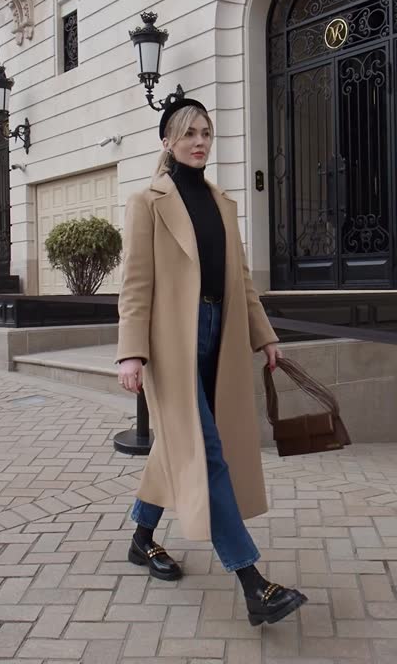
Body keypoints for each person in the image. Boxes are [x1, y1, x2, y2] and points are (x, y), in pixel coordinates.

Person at [116, 97, 308, 626]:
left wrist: (264, 336)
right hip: (169, 346)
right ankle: (253, 583)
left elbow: (241, 280)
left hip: (218, 337)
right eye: (188, 133)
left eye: (205, 132)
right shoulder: (148, 201)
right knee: (205, 449)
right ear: (167, 142)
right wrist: (131, 351)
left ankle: (141, 537)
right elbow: (135, 283)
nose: (199, 141)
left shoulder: (222, 202)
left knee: (178, 444)